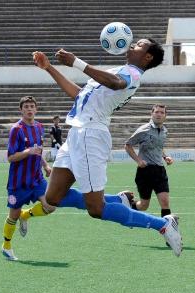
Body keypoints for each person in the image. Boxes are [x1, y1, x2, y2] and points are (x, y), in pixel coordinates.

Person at [23, 38, 182, 257]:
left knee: (96, 209)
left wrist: (77, 62)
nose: (132, 45)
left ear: (147, 57)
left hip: (90, 136)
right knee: (52, 198)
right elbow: (79, 95)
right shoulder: (119, 70)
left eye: (139, 45)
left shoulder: (132, 74)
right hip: (76, 134)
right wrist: (49, 68)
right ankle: (120, 200)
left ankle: (162, 224)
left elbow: (116, 83)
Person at [1, 96, 55, 261]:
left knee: (51, 206)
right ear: (21, 110)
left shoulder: (39, 127)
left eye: (32, 106)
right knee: (13, 216)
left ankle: (27, 215)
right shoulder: (16, 129)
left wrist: (45, 165)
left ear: (36, 109)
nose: (29, 109)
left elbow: (38, 149)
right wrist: (27, 152)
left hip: (37, 179)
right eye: (26, 107)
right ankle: (7, 246)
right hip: (19, 182)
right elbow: (10, 157)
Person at [125, 104, 174, 218]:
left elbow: (159, 147)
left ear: (165, 116)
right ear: (151, 114)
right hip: (145, 172)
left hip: (160, 170)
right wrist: (138, 160)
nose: (159, 114)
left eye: (162, 112)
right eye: (156, 112)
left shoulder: (164, 131)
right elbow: (128, 145)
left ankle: (167, 229)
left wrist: (165, 157)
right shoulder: (144, 130)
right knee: (143, 205)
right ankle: (129, 209)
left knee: (165, 202)